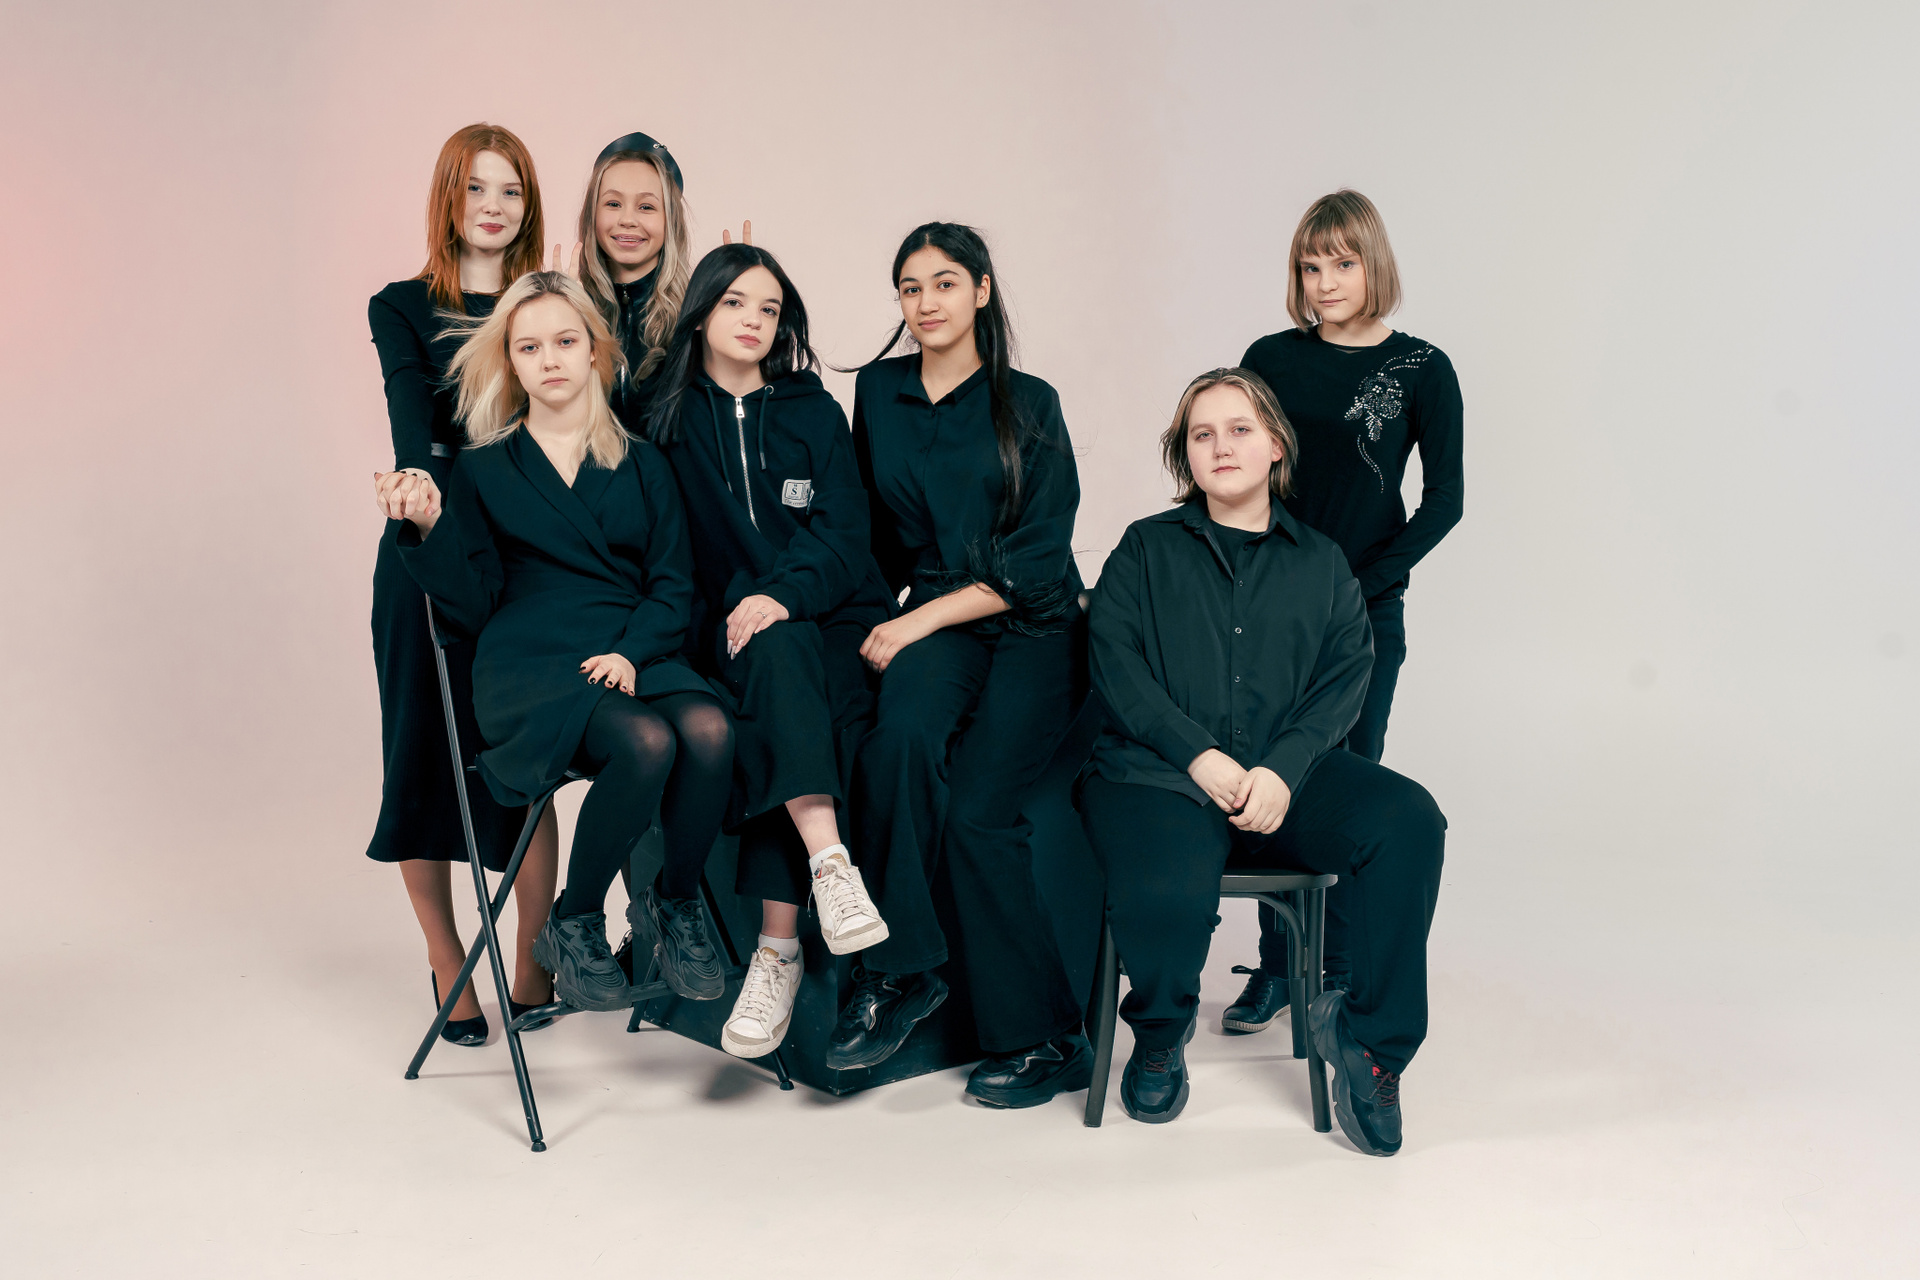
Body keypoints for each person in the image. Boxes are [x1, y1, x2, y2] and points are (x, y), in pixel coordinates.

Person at [1078, 367, 1445, 1152]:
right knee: (1167, 884)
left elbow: (1345, 678)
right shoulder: (1145, 549)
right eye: (1202, 434)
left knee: (1409, 819)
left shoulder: (1323, 563)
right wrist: (1199, 756)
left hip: (1287, 780)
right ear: (1185, 454)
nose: (1221, 446)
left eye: (1239, 429)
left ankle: (1371, 1047)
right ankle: (1160, 1036)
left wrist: (1283, 768)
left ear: (1276, 446)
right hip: (1160, 776)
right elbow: (1116, 665)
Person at [373, 271, 733, 1015]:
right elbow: (471, 602)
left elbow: (674, 586)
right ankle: (576, 918)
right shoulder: (483, 467)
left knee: (709, 729)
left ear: (595, 350)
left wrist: (632, 652)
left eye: (565, 341)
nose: (550, 360)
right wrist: (431, 525)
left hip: (628, 648)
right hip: (531, 664)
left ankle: (674, 903)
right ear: (510, 362)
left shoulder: (643, 462)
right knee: (646, 743)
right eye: (529, 347)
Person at [833, 222, 1088, 1109]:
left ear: (981, 290)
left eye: (944, 283)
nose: (926, 302)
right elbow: (868, 532)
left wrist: (919, 620)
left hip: (1033, 622)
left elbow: (1040, 555)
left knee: (980, 812)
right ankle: (900, 970)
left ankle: (1049, 1038)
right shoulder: (878, 392)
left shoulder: (1031, 401)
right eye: (910, 287)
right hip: (933, 616)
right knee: (896, 739)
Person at [647, 243, 897, 1059]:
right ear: (700, 313)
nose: (753, 320)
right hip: (732, 631)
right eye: (734, 303)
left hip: (833, 615)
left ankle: (778, 951)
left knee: (793, 708)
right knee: (778, 668)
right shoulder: (667, 420)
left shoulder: (812, 411)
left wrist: (783, 593)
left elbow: (846, 533)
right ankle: (829, 866)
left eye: (769, 308)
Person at [1224, 189, 1464, 1035]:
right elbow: (1236, 469)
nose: (1324, 283)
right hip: (1267, 607)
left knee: (1351, 774)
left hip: (1365, 609)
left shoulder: (1422, 367)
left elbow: (1445, 501)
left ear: (1373, 265)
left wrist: (1362, 584)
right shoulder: (1270, 358)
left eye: (1342, 264)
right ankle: (1277, 966)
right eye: (1310, 267)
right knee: (1266, 774)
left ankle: (1335, 974)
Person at [365, 122, 559, 1044]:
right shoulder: (401, 305)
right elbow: (414, 415)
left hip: (528, 552)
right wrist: (419, 484)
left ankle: (534, 957)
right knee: (419, 752)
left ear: (529, 205)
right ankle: (448, 959)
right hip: (429, 540)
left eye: (511, 190)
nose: (493, 206)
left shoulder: (547, 304)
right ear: (449, 199)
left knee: (529, 757)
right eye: (476, 188)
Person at [572, 132, 694, 429]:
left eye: (646, 206)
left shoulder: (698, 313)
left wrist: (741, 300)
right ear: (592, 214)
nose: (627, 220)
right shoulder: (567, 306)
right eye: (613, 204)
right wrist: (562, 318)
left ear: (670, 220)